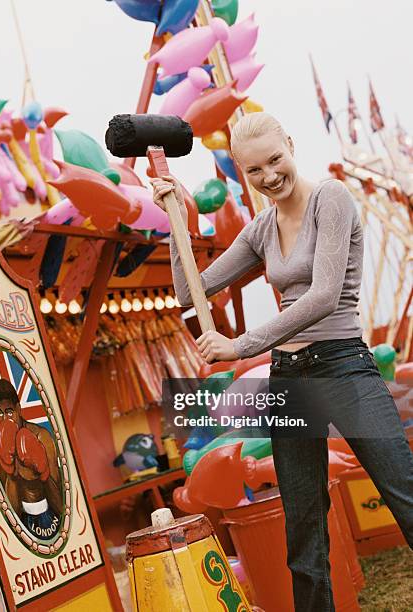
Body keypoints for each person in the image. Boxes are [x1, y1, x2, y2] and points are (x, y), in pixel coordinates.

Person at [151, 112, 413, 611]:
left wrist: (242, 344)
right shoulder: (260, 229)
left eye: (275, 160)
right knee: (303, 531)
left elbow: (323, 296)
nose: (269, 176)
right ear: (240, 170)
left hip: (343, 366)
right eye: (254, 170)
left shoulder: (329, 198)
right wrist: (175, 220)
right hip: (291, 378)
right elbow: (189, 290)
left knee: (405, 495)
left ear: (290, 144)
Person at [0, 378, 63, 541]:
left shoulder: (41, 436)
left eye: (9, 412)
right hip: (22, 522)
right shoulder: (5, 438)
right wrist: (9, 469)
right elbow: (2, 497)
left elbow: (59, 495)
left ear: (18, 408)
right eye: (0, 413)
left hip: (50, 517)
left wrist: (41, 472)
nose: (5, 418)